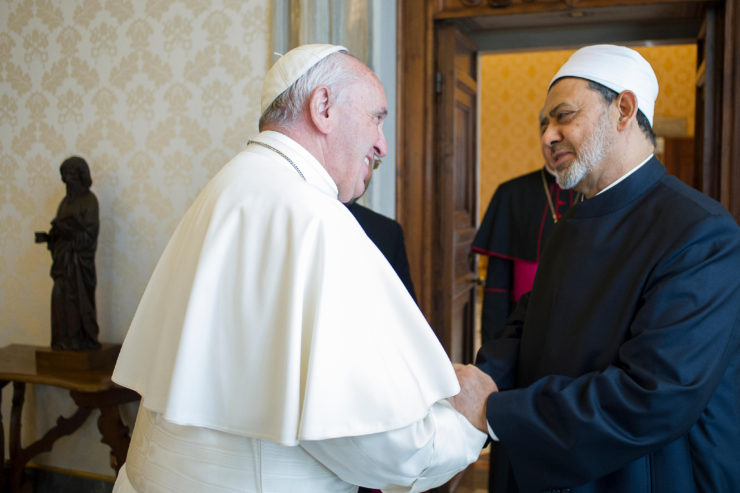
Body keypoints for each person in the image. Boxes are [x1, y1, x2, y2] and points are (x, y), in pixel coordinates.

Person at [110, 44, 486, 493]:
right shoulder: (314, 217)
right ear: (323, 107)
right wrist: (466, 423)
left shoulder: (229, 185)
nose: (382, 144)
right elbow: (377, 444)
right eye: (376, 118)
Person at [452, 44, 740, 492]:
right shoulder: (571, 224)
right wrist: (480, 378)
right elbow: (529, 326)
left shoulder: (701, 232)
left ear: (623, 110)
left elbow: (655, 395)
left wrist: (496, 411)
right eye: (545, 123)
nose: (548, 136)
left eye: (564, 117)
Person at [472, 165, 580, 343]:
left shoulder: (596, 192)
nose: (555, 149)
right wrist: (493, 345)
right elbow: (497, 287)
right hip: (523, 328)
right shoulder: (511, 193)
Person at [36, 156, 101, 351]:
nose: (68, 179)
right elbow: (59, 231)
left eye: (72, 174)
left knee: (76, 300)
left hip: (79, 265)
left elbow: (89, 235)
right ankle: (62, 340)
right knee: (59, 296)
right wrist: (50, 237)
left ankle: (80, 340)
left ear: (82, 176)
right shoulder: (65, 202)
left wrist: (70, 231)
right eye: (65, 175)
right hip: (63, 264)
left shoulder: (90, 200)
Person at [346, 159, 416, 301]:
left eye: (370, 160)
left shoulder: (388, 232)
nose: (367, 170)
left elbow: (403, 308)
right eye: (364, 158)